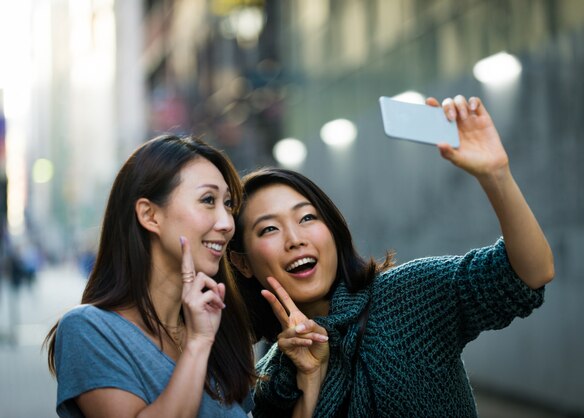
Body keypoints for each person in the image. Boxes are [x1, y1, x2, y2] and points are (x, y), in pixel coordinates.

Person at [227, 95, 555, 417]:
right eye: (269, 229)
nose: (295, 239)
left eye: (307, 218)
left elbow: (528, 274)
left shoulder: (407, 296)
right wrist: (309, 380)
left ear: (332, 229)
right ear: (241, 261)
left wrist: (496, 175)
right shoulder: (269, 379)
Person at [44, 135, 256, 417]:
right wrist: (197, 345)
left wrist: (310, 378)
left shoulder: (220, 331)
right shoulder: (89, 330)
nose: (227, 223)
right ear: (149, 215)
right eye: (208, 200)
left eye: (228, 204)